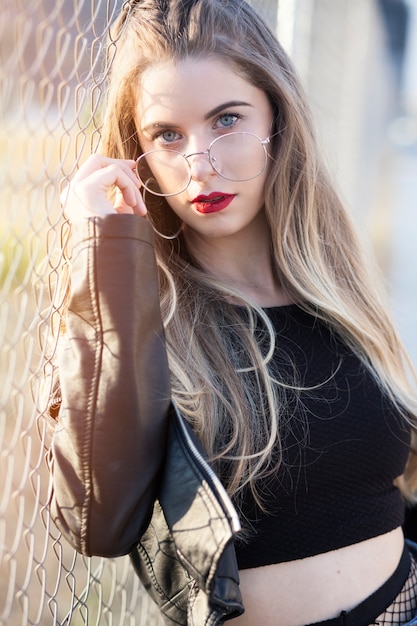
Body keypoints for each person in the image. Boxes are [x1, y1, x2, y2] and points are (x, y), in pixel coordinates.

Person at [43, 0, 417, 624]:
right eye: (168, 135)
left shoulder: (334, 282)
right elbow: (97, 518)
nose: (200, 164)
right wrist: (107, 252)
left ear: (277, 114)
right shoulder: (139, 319)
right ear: (135, 154)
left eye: (225, 120)